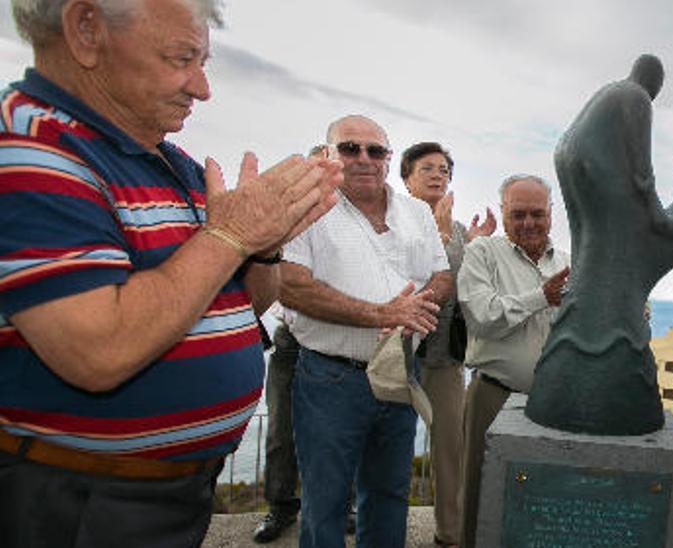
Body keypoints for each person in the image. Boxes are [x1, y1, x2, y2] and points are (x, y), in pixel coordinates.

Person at [0, 0, 341, 546]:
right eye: (182, 58)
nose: (203, 88)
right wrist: (229, 236)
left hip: (161, 497)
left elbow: (232, 307)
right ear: (86, 30)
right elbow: (100, 350)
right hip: (78, 506)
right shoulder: (26, 147)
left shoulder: (167, 160)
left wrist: (265, 249)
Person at [281, 114, 451, 548]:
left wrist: (413, 309)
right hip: (331, 378)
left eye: (375, 151)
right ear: (328, 154)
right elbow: (292, 286)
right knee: (326, 501)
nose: (363, 159)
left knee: (389, 494)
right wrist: (381, 314)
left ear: (388, 159)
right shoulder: (308, 208)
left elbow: (442, 275)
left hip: (399, 373)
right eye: (350, 148)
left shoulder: (416, 212)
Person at [457, 174, 570, 546]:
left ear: (551, 214)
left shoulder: (571, 263)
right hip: (495, 396)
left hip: (555, 403)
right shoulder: (482, 254)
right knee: (481, 494)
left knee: (545, 498)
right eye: (518, 214)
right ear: (503, 213)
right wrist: (542, 296)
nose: (528, 223)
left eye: (537, 213)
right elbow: (483, 318)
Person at [398, 141, 494, 548]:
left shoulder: (456, 229)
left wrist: (474, 244)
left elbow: (462, 287)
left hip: (444, 358)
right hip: (398, 355)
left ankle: (450, 534)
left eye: (444, 170)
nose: (438, 175)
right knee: (387, 446)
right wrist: (437, 234)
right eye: (427, 168)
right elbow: (409, 280)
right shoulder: (392, 221)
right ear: (406, 177)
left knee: (450, 448)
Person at [254, 144, 334, 544]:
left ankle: (344, 504)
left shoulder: (352, 223)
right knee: (281, 431)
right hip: (292, 340)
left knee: (338, 431)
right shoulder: (286, 219)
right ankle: (281, 505)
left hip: (333, 340)